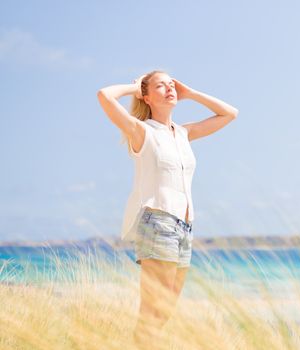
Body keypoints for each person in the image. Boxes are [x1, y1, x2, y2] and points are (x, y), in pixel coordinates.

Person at [97, 70, 239, 349]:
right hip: (157, 222)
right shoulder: (142, 131)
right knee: (153, 309)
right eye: (161, 86)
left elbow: (230, 113)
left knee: (165, 311)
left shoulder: (183, 133)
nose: (170, 88)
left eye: (172, 84)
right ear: (146, 97)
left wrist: (192, 93)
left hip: (185, 228)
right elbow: (104, 95)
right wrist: (133, 87)